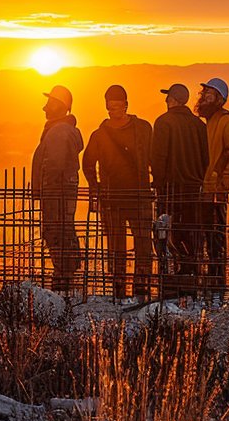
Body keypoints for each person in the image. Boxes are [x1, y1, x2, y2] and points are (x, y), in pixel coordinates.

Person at [82, 84, 153, 302]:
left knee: (143, 244)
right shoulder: (99, 135)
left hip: (139, 196)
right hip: (113, 199)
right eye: (110, 107)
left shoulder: (143, 129)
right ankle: (119, 291)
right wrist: (96, 187)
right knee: (116, 247)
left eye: (116, 106)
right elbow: (87, 163)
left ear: (126, 105)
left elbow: (154, 157)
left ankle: (141, 289)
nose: (113, 111)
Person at [150, 83, 208, 296]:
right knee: (191, 234)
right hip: (194, 189)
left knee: (166, 235)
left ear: (172, 100)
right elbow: (206, 158)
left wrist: (158, 182)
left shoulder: (163, 122)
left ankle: (170, 281)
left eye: (168, 97)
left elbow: (158, 157)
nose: (166, 101)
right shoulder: (199, 125)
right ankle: (191, 277)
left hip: (170, 189)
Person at [32, 85, 83, 293]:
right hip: (56, 192)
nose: (45, 107)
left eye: (49, 102)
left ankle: (63, 277)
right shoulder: (57, 130)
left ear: (60, 105)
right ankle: (65, 275)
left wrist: (47, 190)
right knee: (62, 231)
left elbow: (55, 166)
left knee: (57, 232)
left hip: (55, 193)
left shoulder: (59, 132)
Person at [197, 78, 229, 303]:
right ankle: (207, 284)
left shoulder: (226, 123)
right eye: (204, 93)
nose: (205, 97)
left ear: (220, 99)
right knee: (201, 237)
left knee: (215, 240)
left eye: (210, 94)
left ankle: (217, 285)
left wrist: (224, 183)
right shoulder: (204, 122)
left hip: (214, 192)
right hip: (200, 190)